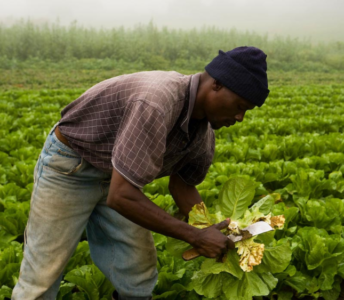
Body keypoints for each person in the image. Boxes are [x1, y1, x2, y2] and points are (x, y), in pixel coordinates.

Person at [12, 46, 269, 300]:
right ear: (217, 85)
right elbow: (121, 196)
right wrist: (195, 236)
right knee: (42, 276)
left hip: (119, 179)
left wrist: (214, 229)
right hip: (71, 167)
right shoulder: (157, 102)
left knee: (139, 272)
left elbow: (182, 188)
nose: (240, 117)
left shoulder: (203, 135)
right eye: (239, 105)